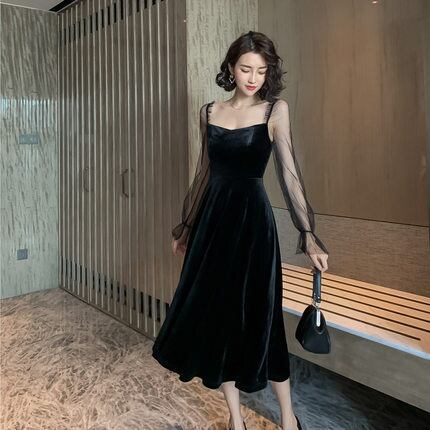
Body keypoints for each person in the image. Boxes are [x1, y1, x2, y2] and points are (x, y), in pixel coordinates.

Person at [152, 30, 329, 430]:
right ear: (231, 68)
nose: (253, 78)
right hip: (212, 226)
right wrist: (186, 227)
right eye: (246, 69)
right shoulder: (209, 112)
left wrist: (309, 235)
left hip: (252, 228)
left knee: (263, 320)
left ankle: (288, 418)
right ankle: (236, 420)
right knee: (220, 321)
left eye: (261, 71)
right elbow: (204, 173)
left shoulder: (274, 110)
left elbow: (289, 174)